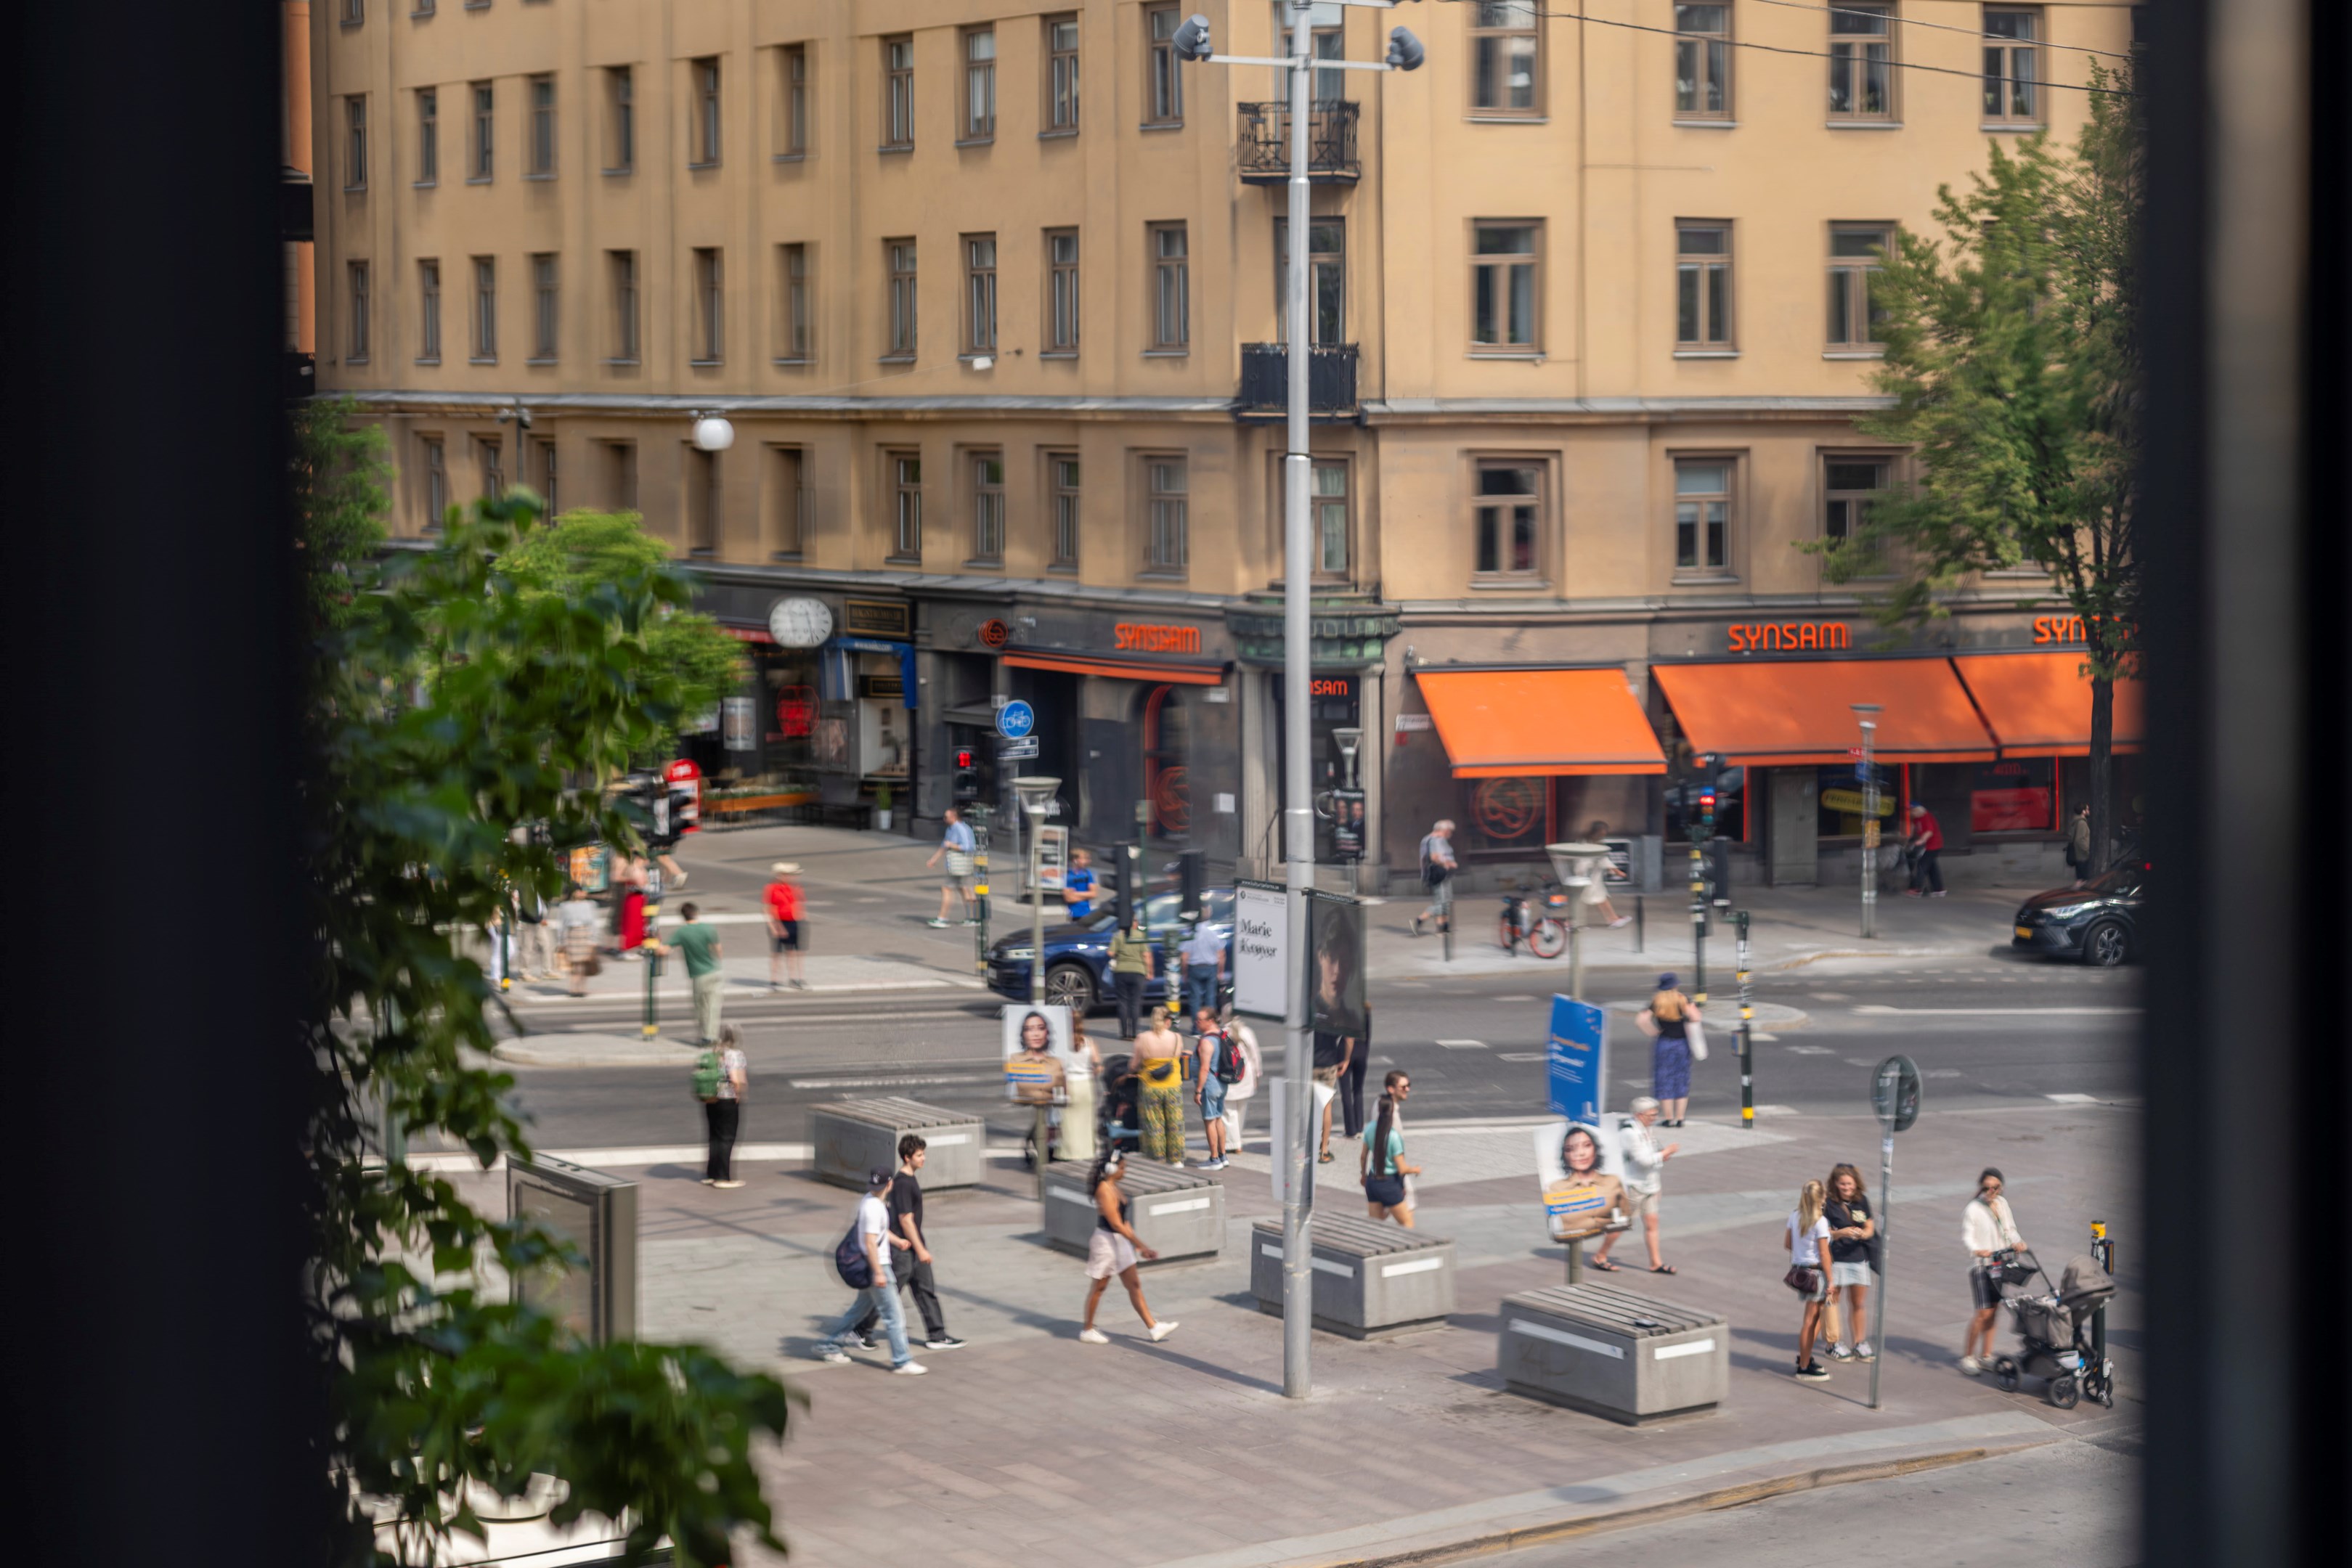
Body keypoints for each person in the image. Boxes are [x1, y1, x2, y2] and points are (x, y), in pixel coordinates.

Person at [850, 1135, 967, 1353]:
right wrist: (920, 1249)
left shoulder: (909, 1180)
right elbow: (906, 1219)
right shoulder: (903, 1183)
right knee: (889, 1294)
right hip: (903, 1250)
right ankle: (859, 1330)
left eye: (923, 1154)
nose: (924, 1158)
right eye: (919, 1155)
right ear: (907, 1157)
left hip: (911, 1247)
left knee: (925, 1291)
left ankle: (937, 1335)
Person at [813, 1168, 927, 1374]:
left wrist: (897, 1240)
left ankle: (827, 1345)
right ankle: (902, 1361)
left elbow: (877, 1232)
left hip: (875, 1265)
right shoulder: (874, 1207)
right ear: (890, 1184)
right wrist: (879, 1272)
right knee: (895, 1316)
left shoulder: (870, 1201)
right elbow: (870, 1242)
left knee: (858, 1311)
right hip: (878, 1265)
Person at [1078, 1150, 1177, 1344]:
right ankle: (1087, 1330)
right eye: (1122, 1168)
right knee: (1100, 1287)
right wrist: (1141, 1245)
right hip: (1106, 1242)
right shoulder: (1104, 1189)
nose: (1125, 1171)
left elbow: (1124, 1221)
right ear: (1111, 1169)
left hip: (1120, 1241)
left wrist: (1138, 1245)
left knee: (1134, 1285)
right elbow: (1115, 1224)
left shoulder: (1114, 1187)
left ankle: (1153, 1327)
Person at [1592, 1098, 1679, 1274]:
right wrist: (1665, 1153)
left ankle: (1656, 1263)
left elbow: (1651, 1154)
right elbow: (1643, 1161)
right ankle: (1600, 1256)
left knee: (1652, 1223)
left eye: (1656, 1114)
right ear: (1639, 1115)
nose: (1654, 1118)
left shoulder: (1646, 1128)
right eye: (1651, 1115)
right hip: (1633, 1186)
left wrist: (1661, 1160)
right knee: (1621, 1225)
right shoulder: (1629, 1133)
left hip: (1648, 1185)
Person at [1960, 1167, 2027, 1374]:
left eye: (1995, 1188)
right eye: (1987, 1188)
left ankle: (1986, 1355)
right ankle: (1968, 1357)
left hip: (2000, 1264)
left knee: (1994, 1312)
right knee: (1982, 1313)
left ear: (2001, 1188)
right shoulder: (1973, 1209)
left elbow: (2010, 1230)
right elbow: (1967, 1235)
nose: (1991, 1192)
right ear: (1981, 1188)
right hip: (1982, 1267)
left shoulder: (2003, 1204)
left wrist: (2018, 1242)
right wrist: (1977, 1250)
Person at [1823, 1163, 1879, 1363]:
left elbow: (1870, 1225)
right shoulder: (1828, 1203)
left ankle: (1859, 1342)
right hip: (1837, 1259)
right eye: (1843, 1184)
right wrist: (1840, 1233)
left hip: (1858, 1258)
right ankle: (1834, 1343)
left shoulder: (1861, 1200)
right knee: (1833, 1302)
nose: (1847, 1188)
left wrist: (1865, 1233)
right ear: (1835, 1184)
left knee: (1858, 1303)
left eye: (1850, 1184)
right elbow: (1823, 1233)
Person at [1550, 1124, 1626, 1265]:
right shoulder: (1556, 1188)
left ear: (1595, 1149)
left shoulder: (1613, 1181)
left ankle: (1600, 1255)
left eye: (1586, 1145)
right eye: (1570, 1149)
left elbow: (1624, 1218)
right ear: (1565, 1155)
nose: (1580, 1153)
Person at [1784, 1178, 1834, 1381]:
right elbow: (1824, 1255)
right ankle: (1804, 1366)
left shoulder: (1795, 1216)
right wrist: (1831, 1281)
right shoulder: (1820, 1221)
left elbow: (1788, 1244)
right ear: (1821, 1198)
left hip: (1800, 1272)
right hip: (1817, 1274)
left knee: (1814, 1321)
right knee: (1811, 1321)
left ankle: (1805, 1357)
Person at [660, 901, 727, 1046]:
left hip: (698, 974)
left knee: (701, 1007)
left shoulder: (682, 932)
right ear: (697, 913)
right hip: (714, 971)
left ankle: (707, 1037)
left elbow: (664, 950)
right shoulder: (708, 929)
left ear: (683, 916)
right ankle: (711, 1037)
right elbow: (718, 950)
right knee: (713, 1006)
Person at [1360, 1071, 1420, 1227]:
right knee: (1408, 1220)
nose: (1408, 1089)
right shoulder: (1393, 1129)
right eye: (1404, 1087)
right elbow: (1400, 1165)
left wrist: (1364, 1175)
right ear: (1391, 1089)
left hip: (1373, 1179)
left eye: (1408, 1086)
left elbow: (1363, 1155)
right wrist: (1415, 1170)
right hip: (1390, 1177)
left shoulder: (1375, 1113)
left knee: (1377, 1223)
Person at [1009, 1008, 1069, 1164]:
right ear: (1023, 1034)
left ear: (1047, 1032)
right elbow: (1016, 1088)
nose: (1035, 1034)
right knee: (1042, 1123)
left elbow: (1063, 1091)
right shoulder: (1015, 1060)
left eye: (1040, 1028)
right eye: (1030, 1029)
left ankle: (1046, 1150)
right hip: (1038, 1103)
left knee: (1051, 1123)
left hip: (1050, 1107)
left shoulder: (1057, 1062)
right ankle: (1036, 1148)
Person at [1640, 972, 1699, 1127]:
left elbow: (1641, 1020)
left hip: (1664, 1042)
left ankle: (1669, 1118)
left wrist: (1653, 1032)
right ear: (1675, 985)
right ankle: (1680, 1118)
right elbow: (1696, 1018)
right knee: (1681, 1079)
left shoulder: (1657, 1001)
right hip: (1681, 1044)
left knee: (1664, 1079)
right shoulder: (1683, 1000)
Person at [1133, 1005, 1188, 1164]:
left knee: (1155, 1124)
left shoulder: (1143, 1038)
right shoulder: (1177, 1038)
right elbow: (1177, 1057)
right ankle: (1177, 1159)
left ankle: (1158, 1158)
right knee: (1175, 1123)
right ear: (1168, 1021)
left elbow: (1134, 1064)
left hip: (1151, 1086)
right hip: (1172, 1086)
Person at [696, 1024, 749, 1188]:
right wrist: (740, 1092)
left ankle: (711, 1175)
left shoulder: (713, 1051)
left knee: (714, 1136)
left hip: (710, 1099)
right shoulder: (735, 1054)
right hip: (727, 1099)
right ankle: (723, 1178)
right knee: (727, 1137)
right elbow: (736, 1079)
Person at [1192, 1007, 1238, 1170]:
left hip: (1210, 1085)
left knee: (1210, 1121)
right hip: (1221, 1083)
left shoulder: (1206, 1041)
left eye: (1200, 1020)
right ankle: (1223, 1155)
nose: (1196, 1023)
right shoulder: (1221, 1035)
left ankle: (1214, 1159)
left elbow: (1204, 1068)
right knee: (1218, 1118)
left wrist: (1198, 1090)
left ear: (1210, 1021)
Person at [925, 805, 977, 926]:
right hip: (956, 866)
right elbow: (944, 845)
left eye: (946, 817)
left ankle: (942, 918)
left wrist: (952, 845)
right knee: (964, 889)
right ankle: (973, 918)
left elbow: (969, 847)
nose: (944, 819)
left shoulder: (961, 829)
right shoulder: (951, 828)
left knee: (947, 889)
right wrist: (934, 859)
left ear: (954, 817)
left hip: (960, 865)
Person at [1220, 1008, 1262, 1153]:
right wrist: (1258, 1073)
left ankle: (1233, 1143)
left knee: (1228, 1112)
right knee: (1241, 1110)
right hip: (1246, 1074)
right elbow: (1255, 1055)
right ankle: (1237, 1141)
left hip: (1229, 1076)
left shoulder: (1223, 1033)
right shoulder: (1247, 1032)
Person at [1061, 1015, 1102, 1163]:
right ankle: (1086, 1152)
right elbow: (1098, 1066)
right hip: (1086, 1084)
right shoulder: (1089, 1042)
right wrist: (1090, 1071)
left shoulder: (1062, 1043)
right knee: (1086, 1121)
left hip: (1069, 1083)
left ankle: (1070, 1153)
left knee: (1069, 1122)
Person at [1311, 1028, 1354, 1164]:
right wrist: (1346, 1059)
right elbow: (1349, 1037)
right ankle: (1324, 1149)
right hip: (1329, 1064)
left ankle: (1306, 1147)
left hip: (1309, 1063)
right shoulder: (1333, 1016)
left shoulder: (1309, 1011)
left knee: (1307, 1106)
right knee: (1326, 1106)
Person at [1580, 820, 1634, 928]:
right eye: (1604, 830)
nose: (1606, 832)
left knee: (1591, 897)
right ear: (1599, 831)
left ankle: (1612, 918)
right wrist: (1617, 871)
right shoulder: (1594, 844)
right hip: (1590, 875)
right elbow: (1603, 860)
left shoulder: (1585, 841)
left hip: (1588, 873)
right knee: (1595, 897)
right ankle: (1613, 919)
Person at [1109, 915, 1155, 1039]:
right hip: (1138, 972)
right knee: (1135, 1003)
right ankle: (1134, 1033)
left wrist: (1120, 953)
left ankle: (1124, 1033)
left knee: (1122, 1002)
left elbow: (1110, 953)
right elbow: (1146, 955)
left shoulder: (1118, 935)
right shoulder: (1141, 936)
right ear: (1134, 923)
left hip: (1121, 971)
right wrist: (1150, 972)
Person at [764, 861, 806, 991]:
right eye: (789, 875)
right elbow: (768, 908)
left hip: (793, 921)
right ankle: (774, 980)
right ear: (781, 875)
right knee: (777, 953)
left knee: (793, 951)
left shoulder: (795, 888)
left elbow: (798, 904)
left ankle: (794, 978)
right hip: (779, 922)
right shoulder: (772, 888)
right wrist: (775, 927)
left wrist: (801, 918)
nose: (792, 877)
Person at [1411, 820, 1457, 936]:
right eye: (1450, 831)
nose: (1451, 833)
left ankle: (1443, 928)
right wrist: (1447, 863)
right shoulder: (1435, 840)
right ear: (1445, 830)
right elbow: (1435, 857)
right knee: (1441, 903)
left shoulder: (1433, 839)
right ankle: (1419, 920)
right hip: (1438, 875)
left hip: (1439, 874)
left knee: (1445, 901)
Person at [556, 883, 601, 997]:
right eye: (579, 891)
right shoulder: (565, 906)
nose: (581, 893)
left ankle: (581, 988)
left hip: (585, 934)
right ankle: (573, 988)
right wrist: (561, 941)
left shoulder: (590, 905)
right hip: (572, 935)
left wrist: (594, 939)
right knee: (574, 964)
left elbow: (593, 923)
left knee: (584, 964)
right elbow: (561, 924)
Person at [1340, 1001, 1373, 1141]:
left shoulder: (1345, 1011)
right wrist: (1365, 1053)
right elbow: (1368, 1035)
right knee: (1358, 1090)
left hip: (1346, 1054)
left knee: (1346, 1092)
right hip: (1362, 1053)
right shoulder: (1366, 1010)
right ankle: (1359, 1127)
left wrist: (1345, 1059)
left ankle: (1351, 1130)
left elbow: (1349, 1037)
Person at [1179, 920, 1225, 1019]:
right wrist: (1220, 971)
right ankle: (1211, 1024)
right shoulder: (1214, 932)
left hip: (1194, 968)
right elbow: (1221, 954)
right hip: (1211, 967)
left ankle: (1197, 1028)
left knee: (1195, 1000)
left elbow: (1184, 957)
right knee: (1210, 999)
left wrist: (1184, 973)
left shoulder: (1190, 933)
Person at [1904, 802, 1947, 897]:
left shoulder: (1925, 817)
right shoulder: (1917, 818)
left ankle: (1917, 889)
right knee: (1932, 868)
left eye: (1910, 811)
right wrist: (1907, 839)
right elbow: (1913, 829)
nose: (1910, 813)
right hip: (1928, 846)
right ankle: (1939, 889)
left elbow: (1929, 831)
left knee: (1922, 866)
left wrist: (1921, 840)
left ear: (1915, 810)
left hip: (1933, 845)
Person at [1062, 847, 1097, 921]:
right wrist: (1087, 895)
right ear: (1075, 860)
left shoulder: (1088, 874)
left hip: (1087, 914)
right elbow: (1069, 898)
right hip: (1074, 915)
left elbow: (1093, 894)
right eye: (1084, 859)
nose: (1088, 861)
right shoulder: (1068, 875)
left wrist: (1075, 894)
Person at [2064, 804, 2093, 888]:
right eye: (2087, 809)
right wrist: (2087, 850)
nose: (2089, 811)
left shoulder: (2076, 822)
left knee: (2080, 879)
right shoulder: (2082, 823)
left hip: (2078, 855)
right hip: (2082, 856)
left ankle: (2075, 893)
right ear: (2083, 811)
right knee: (2084, 880)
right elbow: (2079, 840)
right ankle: (2076, 894)